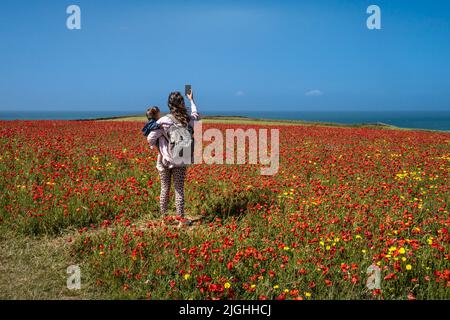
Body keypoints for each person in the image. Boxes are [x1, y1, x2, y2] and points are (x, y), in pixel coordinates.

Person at [147, 90, 199, 225]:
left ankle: (164, 219)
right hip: (181, 160)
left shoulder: (164, 121)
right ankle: (181, 220)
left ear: (169, 105)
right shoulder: (188, 119)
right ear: (182, 104)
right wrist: (192, 100)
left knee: (164, 189)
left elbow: (150, 138)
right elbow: (195, 115)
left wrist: (161, 147)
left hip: (164, 161)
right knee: (179, 190)